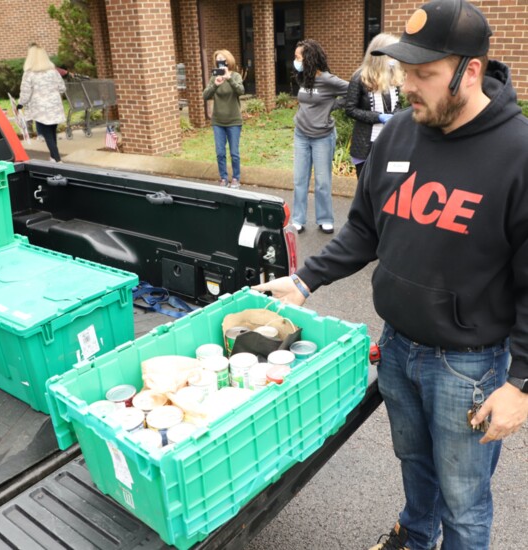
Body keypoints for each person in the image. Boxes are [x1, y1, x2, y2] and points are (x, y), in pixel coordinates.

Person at [253, 0, 528, 548]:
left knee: (465, 499)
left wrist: (520, 383)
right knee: (413, 464)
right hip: (398, 346)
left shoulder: (517, 154)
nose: (408, 88)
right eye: (406, 72)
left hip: (467, 366)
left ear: (469, 71)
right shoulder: (398, 133)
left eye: (425, 75)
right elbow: (363, 230)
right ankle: (416, 534)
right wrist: (305, 280)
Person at [291, 39, 349, 235]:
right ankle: (298, 219)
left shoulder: (328, 80)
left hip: (322, 137)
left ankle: (325, 219)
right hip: (301, 134)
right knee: (300, 179)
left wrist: (333, 106)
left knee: (323, 181)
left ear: (309, 58)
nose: (295, 61)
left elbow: (353, 92)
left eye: (298, 57)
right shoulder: (303, 77)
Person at [345, 33, 404, 178]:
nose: (394, 59)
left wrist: (397, 115)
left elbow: (397, 105)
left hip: (389, 140)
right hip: (365, 143)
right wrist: (379, 117)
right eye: (391, 54)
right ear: (379, 53)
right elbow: (350, 109)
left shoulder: (394, 76)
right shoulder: (359, 77)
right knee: (365, 187)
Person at [202, 49, 245, 189]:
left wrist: (229, 78)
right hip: (218, 122)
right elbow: (205, 95)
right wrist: (216, 84)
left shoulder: (236, 76)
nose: (221, 63)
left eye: (223, 60)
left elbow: (241, 91)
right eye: (218, 60)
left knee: (234, 153)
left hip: (234, 121)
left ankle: (236, 179)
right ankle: (223, 178)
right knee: (220, 153)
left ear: (228, 61)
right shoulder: (214, 78)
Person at [17, 44, 66, 163]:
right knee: (52, 132)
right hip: (55, 106)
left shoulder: (29, 73)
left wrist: (20, 104)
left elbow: (25, 93)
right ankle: (53, 157)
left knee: (47, 134)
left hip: (40, 109)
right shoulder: (53, 72)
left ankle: (57, 159)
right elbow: (62, 88)